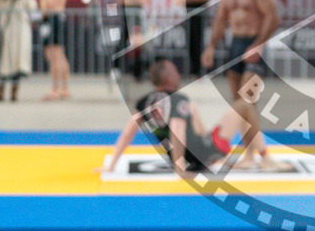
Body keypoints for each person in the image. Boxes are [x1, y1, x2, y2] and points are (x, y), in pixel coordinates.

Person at [200, 0, 286, 170]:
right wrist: (211, 46)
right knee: (239, 105)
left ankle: (264, 155)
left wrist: (259, 44)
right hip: (235, 45)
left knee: (246, 99)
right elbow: (221, 19)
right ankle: (249, 156)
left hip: (254, 43)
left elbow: (273, 16)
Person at [96, 59, 237, 177]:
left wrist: (112, 165)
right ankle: (254, 156)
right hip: (200, 155)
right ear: (169, 77)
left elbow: (128, 133)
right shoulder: (179, 99)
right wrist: (180, 168)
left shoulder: (144, 101)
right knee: (242, 107)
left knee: (192, 110)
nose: (178, 75)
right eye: (175, 71)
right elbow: (177, 128)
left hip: (181, 156)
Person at [174, 0, 212, 78]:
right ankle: (194, 70)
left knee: (198, 42)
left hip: (199, 16)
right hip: (190, 16)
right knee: (191, 43)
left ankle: (201, 71)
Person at [39, 0, 71, 99]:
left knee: (55, 55)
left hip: (53, 18)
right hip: (51, 19)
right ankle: (62, 88)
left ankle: (57, 88)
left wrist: (42, 3)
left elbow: (52, 3)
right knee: (57, 54)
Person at [116, 0, 149, 80]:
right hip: (126, 17)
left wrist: (130, 0)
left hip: (138, 18)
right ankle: (117, 68)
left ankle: (138, 71)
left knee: (139, 44)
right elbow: (120, 0)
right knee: (123, 41)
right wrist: (134, 1)